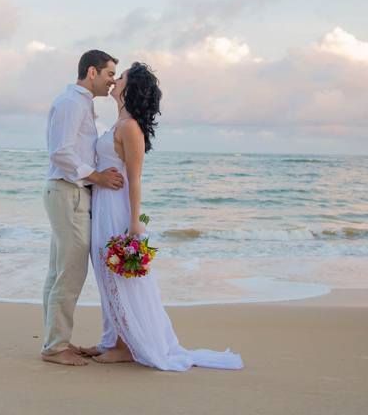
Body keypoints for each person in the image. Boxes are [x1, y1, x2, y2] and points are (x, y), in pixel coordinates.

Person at [75, 62, 244, 371]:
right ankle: (112, 338)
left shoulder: (131, 127)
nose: (115, 80)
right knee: (104, 273)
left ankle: (126, 346)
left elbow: (136, 180)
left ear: (131, 87)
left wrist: (134, 222)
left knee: (118, 276)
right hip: (103, 205)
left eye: (121, 76)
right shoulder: (118, 122)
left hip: (117, 209)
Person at [41, 49, 126, 366]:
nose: (112, 80)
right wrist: (98, 177)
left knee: (60, 270)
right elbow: (60, 153)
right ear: (92, 72)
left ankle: (55, 341)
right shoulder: (70, 103)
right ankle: (54, 347)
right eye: (109, 74)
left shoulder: (81, 104)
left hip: (70, 192)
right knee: (71, 272)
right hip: (68, 192)